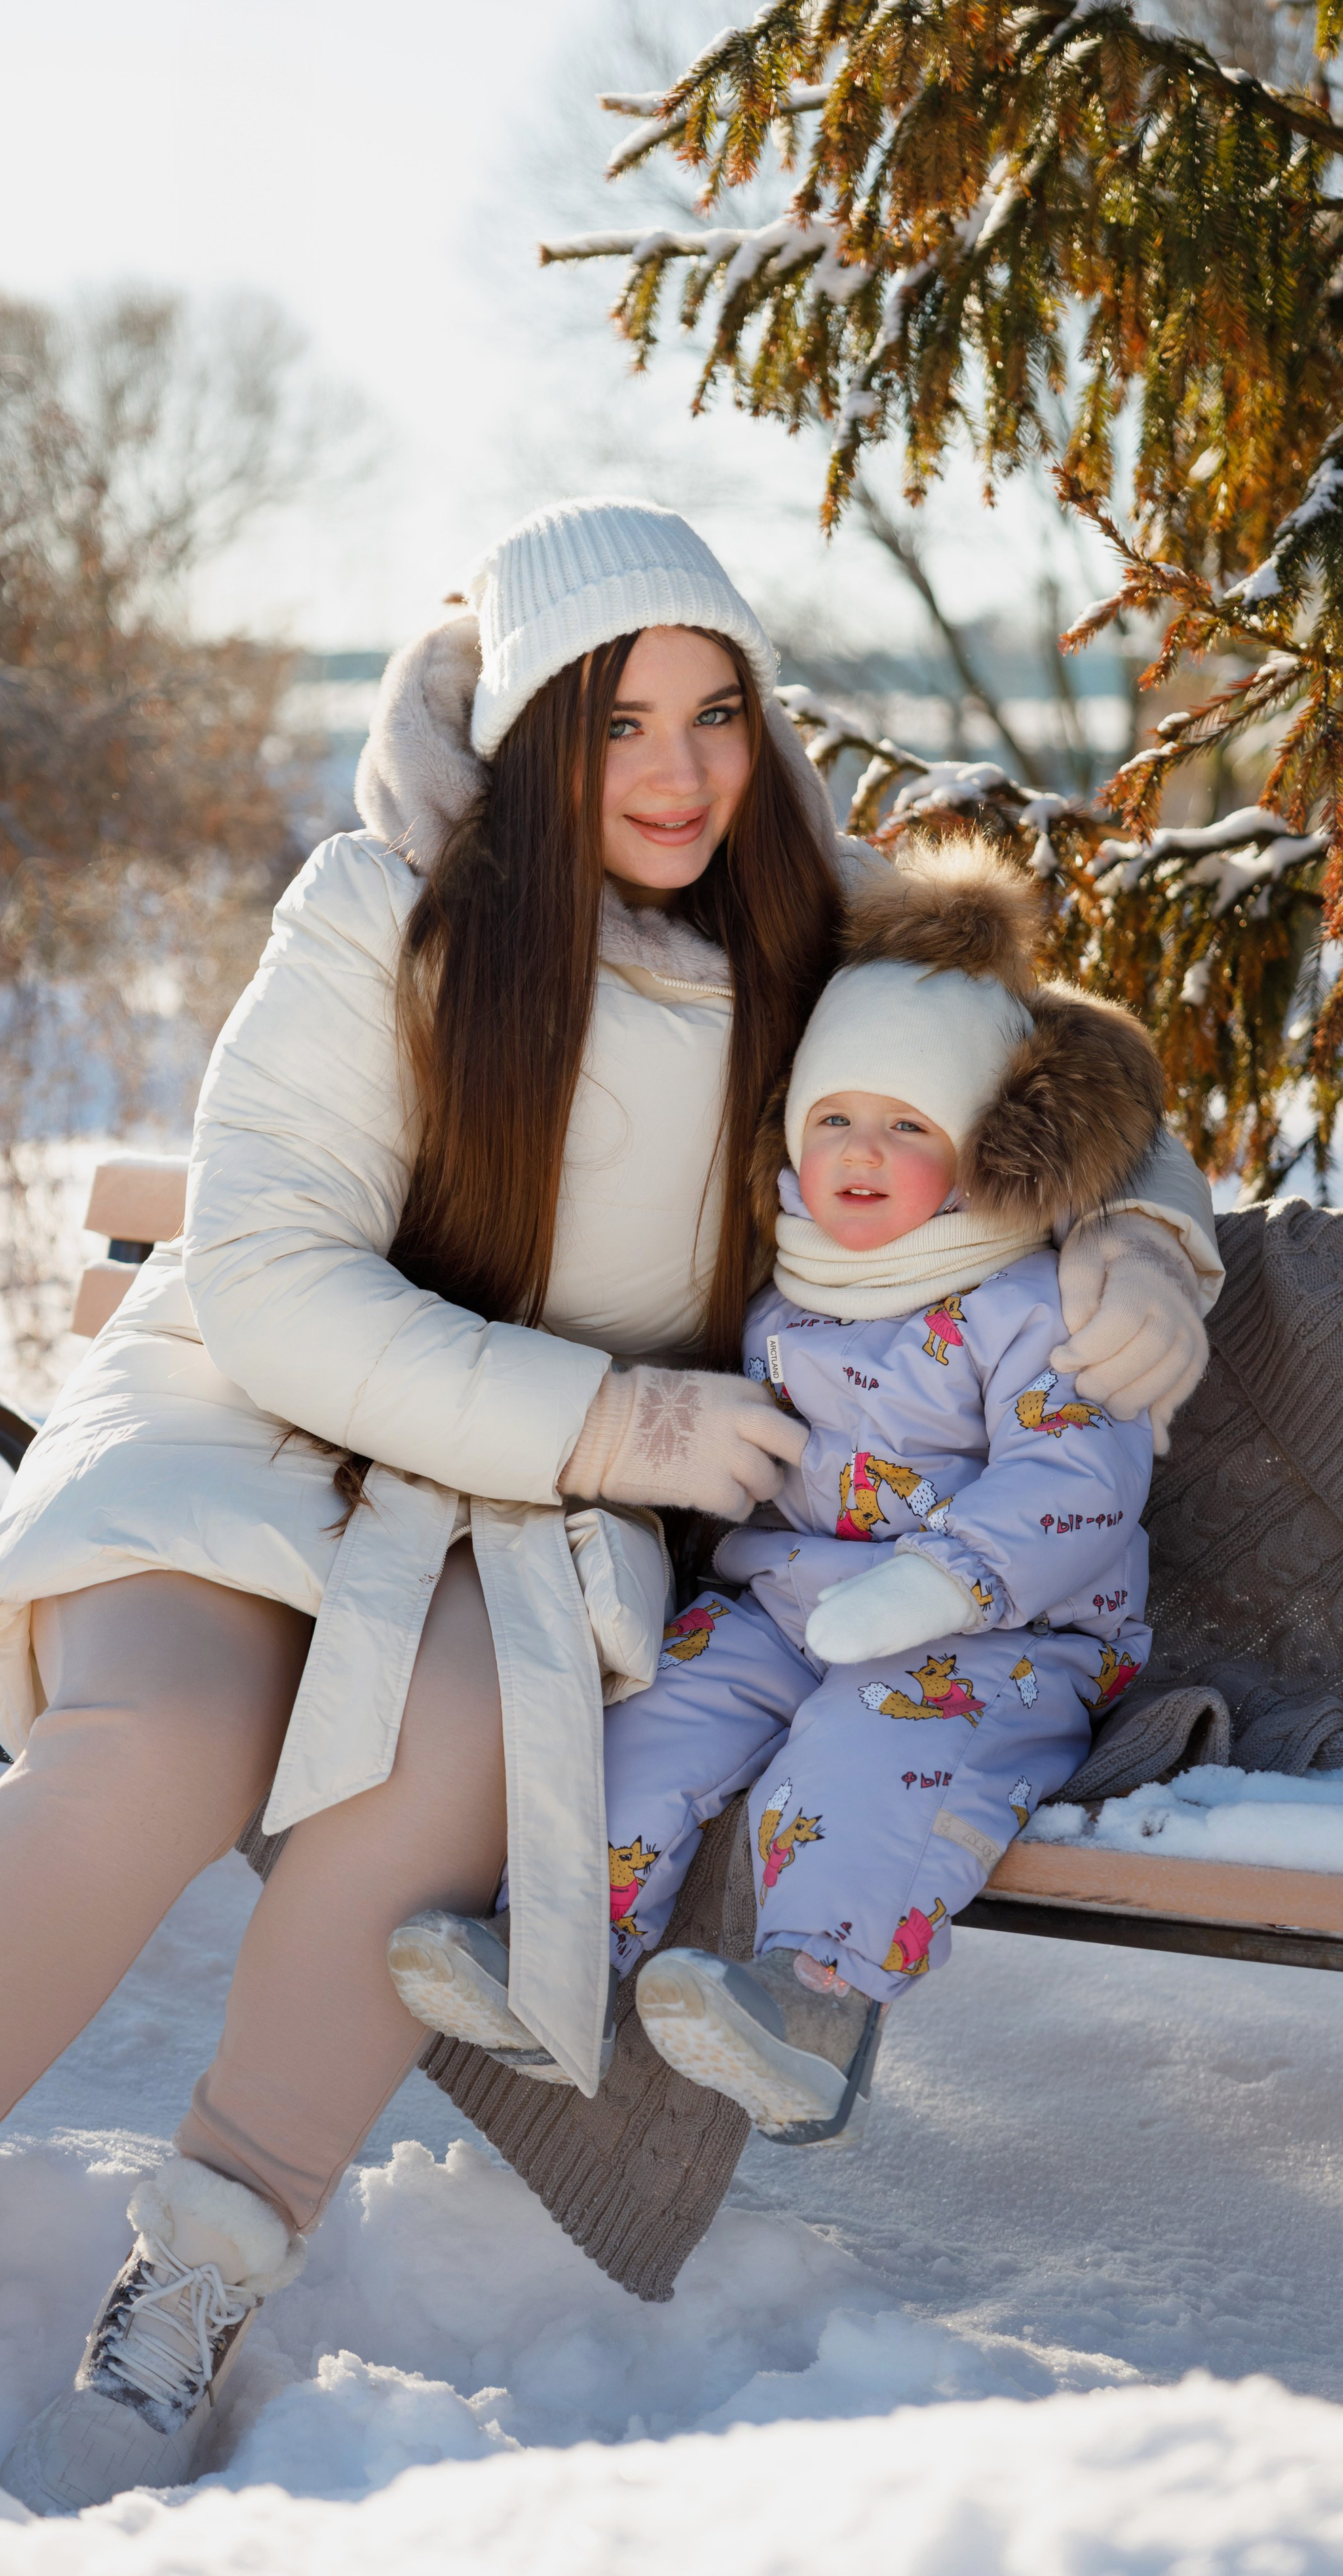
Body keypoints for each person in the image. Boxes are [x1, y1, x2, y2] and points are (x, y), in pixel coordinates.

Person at [0, 500, 1221, 2516]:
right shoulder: (378, 909)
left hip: (533, 1520)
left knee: (441, 1789)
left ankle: (195, 2291)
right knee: (168, 1737)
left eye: (718, 715)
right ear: (527, 738)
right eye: (617, 726)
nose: (680, 773)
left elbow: (1068, 1090)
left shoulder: (817, 935)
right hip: (255, 1427)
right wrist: (606, 1419)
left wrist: (1141, 1245)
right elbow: (267, 1276)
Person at [385, 837, 1164, 2141]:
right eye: (836, 1117)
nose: (863, 1150)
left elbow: (1083, 1481)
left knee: (868, 1760)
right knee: (657, 1721)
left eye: (910, 1125)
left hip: (996, 1634)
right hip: (782, 1605)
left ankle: (813, 2005)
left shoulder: (1026, 1297)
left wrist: (938, 1581)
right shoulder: (780, 1279)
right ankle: (556, 1951)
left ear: (978, 1151)